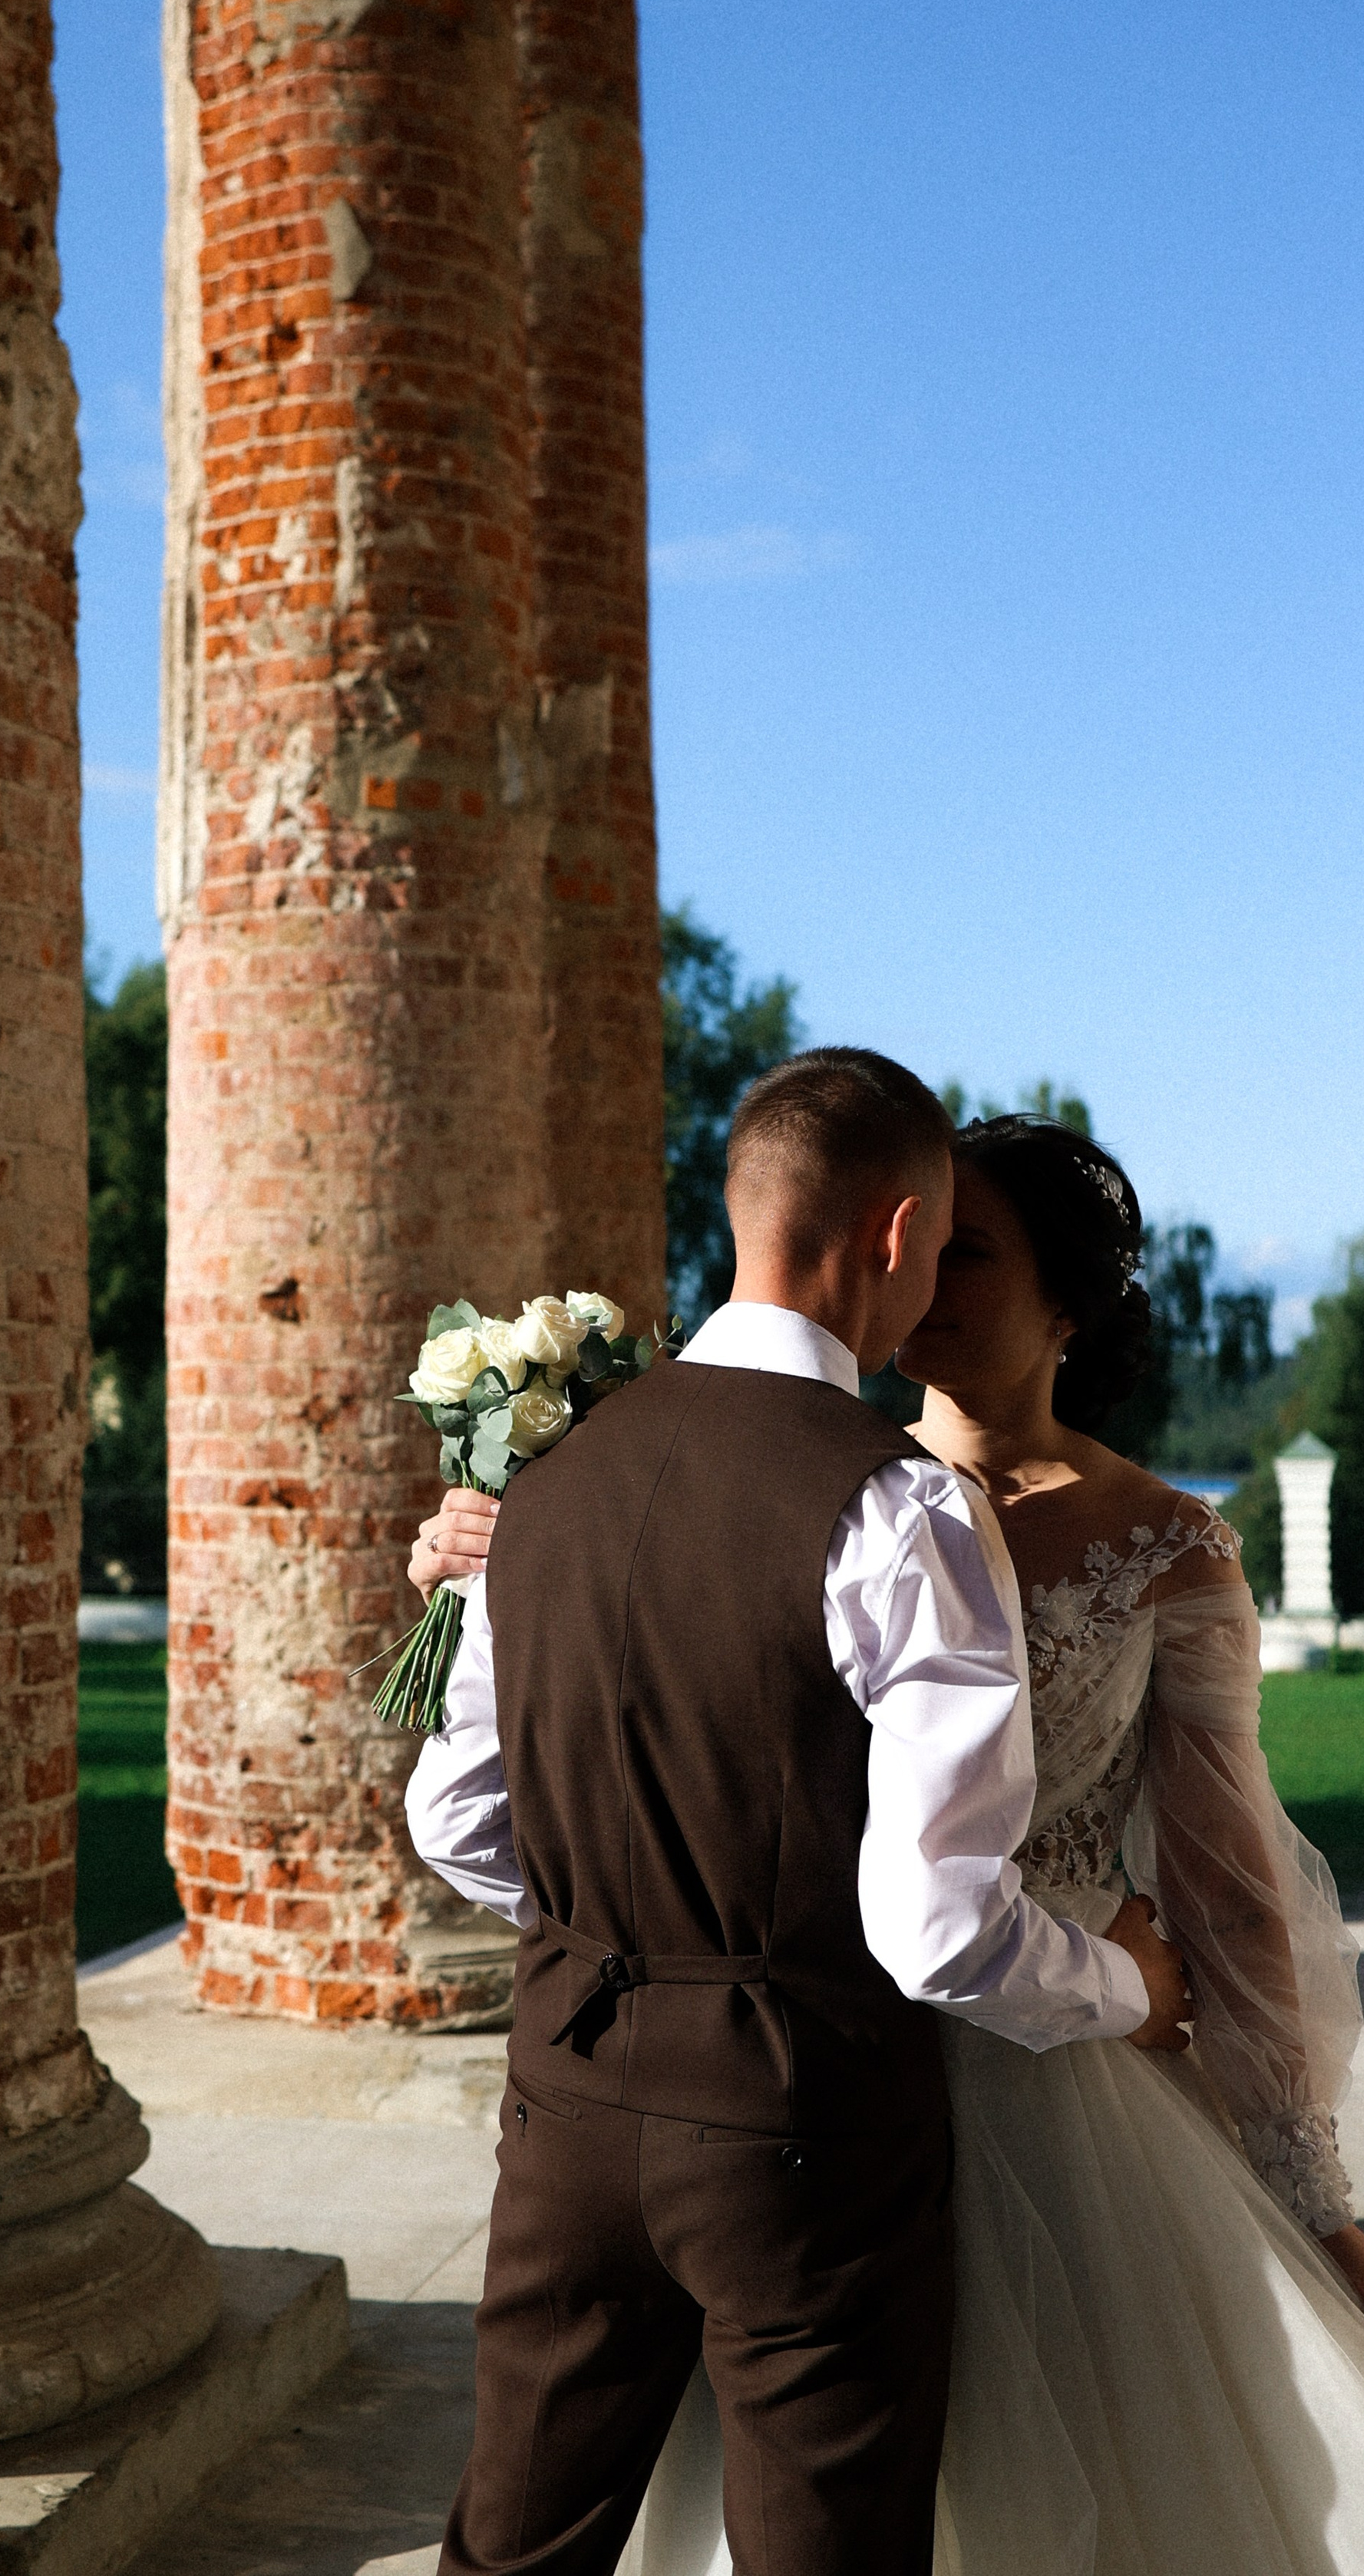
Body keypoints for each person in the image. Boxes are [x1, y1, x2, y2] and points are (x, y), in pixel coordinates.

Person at [413, 1110, 1364, 2575]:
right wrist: (513, 1565)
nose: (925, 1285)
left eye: (970, 1253)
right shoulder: (815, 1483)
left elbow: (1232, 1892)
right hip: (806, 2081)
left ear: (1066, 1308)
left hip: (1049, 2102)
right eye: (931, 1244)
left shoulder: (1166, 1547)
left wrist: (1312, 2201)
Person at [404, 1052, 1192, 2576]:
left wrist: (626, 1927)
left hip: (560, 2105)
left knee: (507, 2549)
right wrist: (1127, 1987)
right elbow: (935, 1929)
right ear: (893, 1235)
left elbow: (456, 1820)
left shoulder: (547, 1482)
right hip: (793, 2131)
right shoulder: (895, 1509)